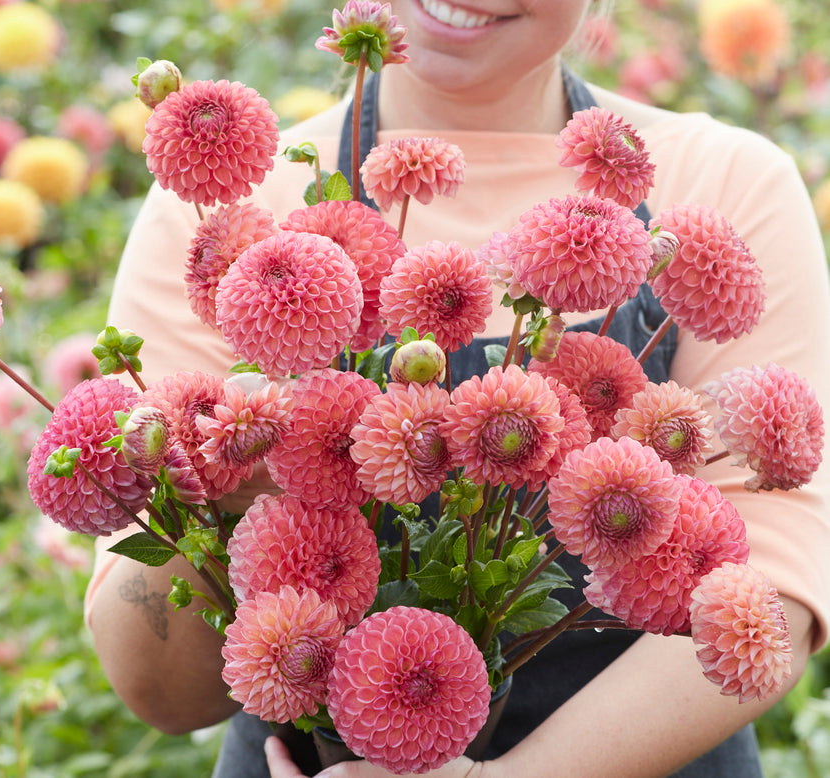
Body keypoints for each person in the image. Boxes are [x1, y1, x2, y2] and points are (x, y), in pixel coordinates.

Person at [84, 2, 830, 776]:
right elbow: (163, 694)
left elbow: (770, 593)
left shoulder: (725, 187)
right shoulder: (229, 213)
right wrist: (239, 470)